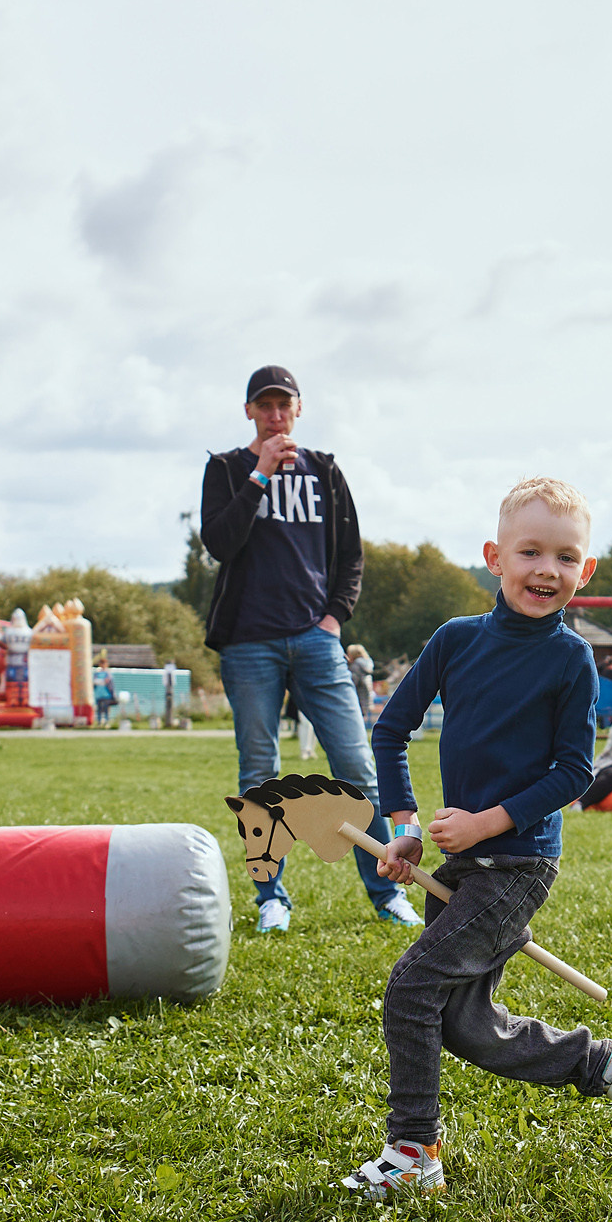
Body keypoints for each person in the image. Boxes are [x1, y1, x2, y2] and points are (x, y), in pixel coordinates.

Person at [355, 476, 612, 1197]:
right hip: (461, 861)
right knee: (464, 1024)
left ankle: (413, 1152)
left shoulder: (570, 659)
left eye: (565, 558)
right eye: (530, 551)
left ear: (584, 572)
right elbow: (390, 729)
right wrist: (406, 828)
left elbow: (571, 772)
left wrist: (486, 822)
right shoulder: (454, 640)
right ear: (496, 556)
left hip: (518, 864)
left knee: (412, 985)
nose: (545, 570)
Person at [198, 365, 416, 932]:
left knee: (357, 765)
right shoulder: (226, 469)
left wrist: (332, 619)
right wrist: (260, 476)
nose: (275, 415)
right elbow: (219, 543)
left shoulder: (325, 471)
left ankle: (386, 893)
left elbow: (351, 556)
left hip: (316, 642)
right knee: (259, 773)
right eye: (264, 406)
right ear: (249, 410)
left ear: (299, 409)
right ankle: (270, 896)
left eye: (284, 405)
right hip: (249, 644)